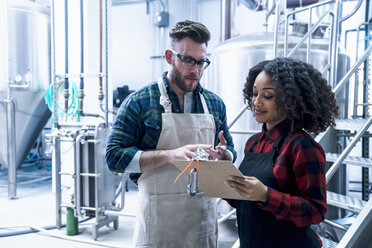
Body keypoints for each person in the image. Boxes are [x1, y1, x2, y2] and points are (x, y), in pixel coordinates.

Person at [106, 20, 237, 248]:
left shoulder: (215, 105)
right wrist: (170, 155)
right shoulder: (140, 102)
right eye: (188, 60)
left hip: (202, 222)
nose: (195, 71)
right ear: (169, 57)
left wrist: (224, 156)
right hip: (158, 223)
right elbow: (114, 157)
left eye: (201, 62)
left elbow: (232, 151)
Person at [224, 57, 339, 248]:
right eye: (254, 94)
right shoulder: (253, 143)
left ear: (291, 99)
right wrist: (220, 171)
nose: (256, 102)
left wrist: (267, 196)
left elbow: (316, 211)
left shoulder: (301, 146)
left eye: (267, 95)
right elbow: (244, 203)